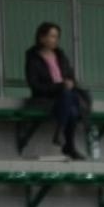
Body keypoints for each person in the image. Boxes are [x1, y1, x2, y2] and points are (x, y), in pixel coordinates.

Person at [24, 22, 90, 161]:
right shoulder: (33, 57)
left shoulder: (60, 55)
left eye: (56, 37)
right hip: (45, 98)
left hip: (65, 96)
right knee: (70, 106)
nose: (55, 40)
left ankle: (61, 131)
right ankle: (68, 145)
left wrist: (70, 83)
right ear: (42, 37)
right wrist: (59, 86)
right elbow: (35, 85)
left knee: (70, 99)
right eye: (51, 36)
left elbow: (70, 76)